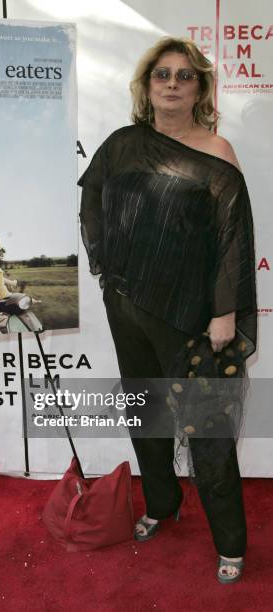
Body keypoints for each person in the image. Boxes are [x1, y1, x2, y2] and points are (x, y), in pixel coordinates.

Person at [78, 36, 257, 584]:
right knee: (147, 413)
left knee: (209, 430)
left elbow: (233, 239)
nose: (173, 83)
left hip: (194, 317)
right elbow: (91, 203)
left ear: (199, 86)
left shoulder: (218, 151)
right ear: (147, 85)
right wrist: (108, 269)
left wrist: (224, 312)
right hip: (128, 306)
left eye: (184, 75)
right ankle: (160, 503)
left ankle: (230, 542)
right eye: (163, 75)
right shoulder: (121, 144)